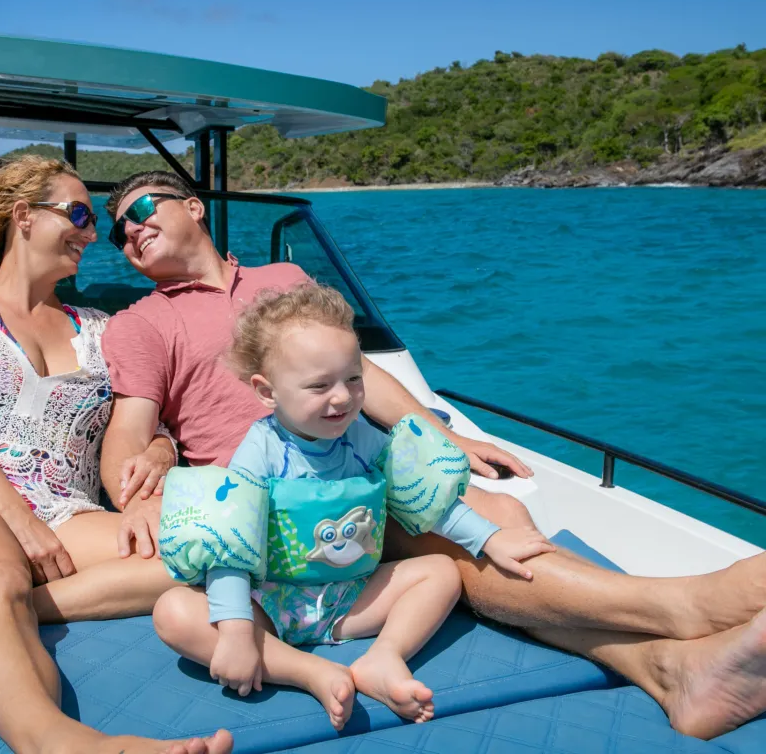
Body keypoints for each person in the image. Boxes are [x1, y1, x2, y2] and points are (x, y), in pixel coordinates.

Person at [101, 169, 766, 740]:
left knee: (499, 513)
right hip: (279, 516)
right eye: (116, 230)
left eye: (140, 209)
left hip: (359, 475)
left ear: (194, 206)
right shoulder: (140, 323)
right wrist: (141, 486)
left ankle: (669, 668)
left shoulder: (285, 279)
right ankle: (682, 610)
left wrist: (447, 442)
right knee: (475, 538)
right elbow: (128, 434)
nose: (129, 229)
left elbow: (363, 373)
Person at [153, 282, 555, 729]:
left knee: (441, 571)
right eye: (319, 385)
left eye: (353, 378)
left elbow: (424, 497)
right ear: (267, 392)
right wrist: (234, 632)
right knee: (174, 612)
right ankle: (308, 672)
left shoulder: (361, 437)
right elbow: (230, 544)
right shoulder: (260, 451)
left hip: (351, 599)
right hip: (268, 602)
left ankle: (384, 657)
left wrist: (490, 539)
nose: (343, 397)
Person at [0, 156, 233, 754]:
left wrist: (161, 452)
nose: (91, 235)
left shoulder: (100, 329)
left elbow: (148, 423)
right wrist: (18, 521)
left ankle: (21, 608)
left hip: (67, 510)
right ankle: (63, 742)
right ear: (23, 216)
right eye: (80, 216)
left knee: (204, 554)